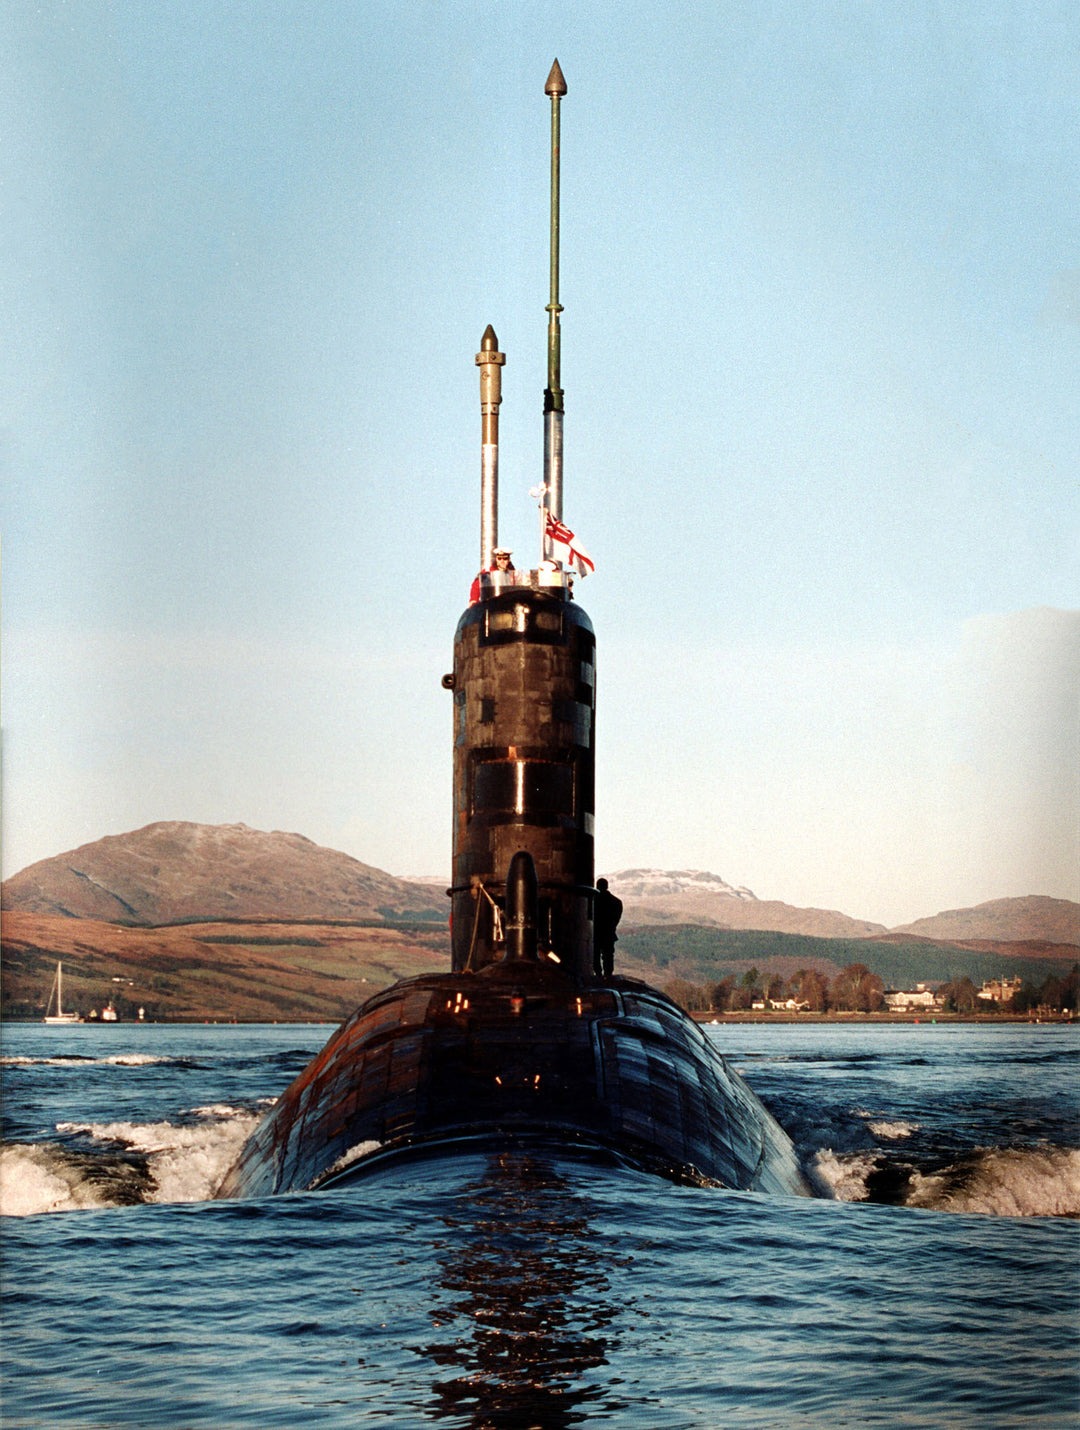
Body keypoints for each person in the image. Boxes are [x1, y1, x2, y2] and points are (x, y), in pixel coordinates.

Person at [592, 877, 622, 979]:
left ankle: (598, 974)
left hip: (596, 934)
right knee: (608, 956)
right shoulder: (616, 902)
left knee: (595, 955)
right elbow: (616, 919)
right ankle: (608, 975)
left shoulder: (593, 901)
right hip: (608, 934)